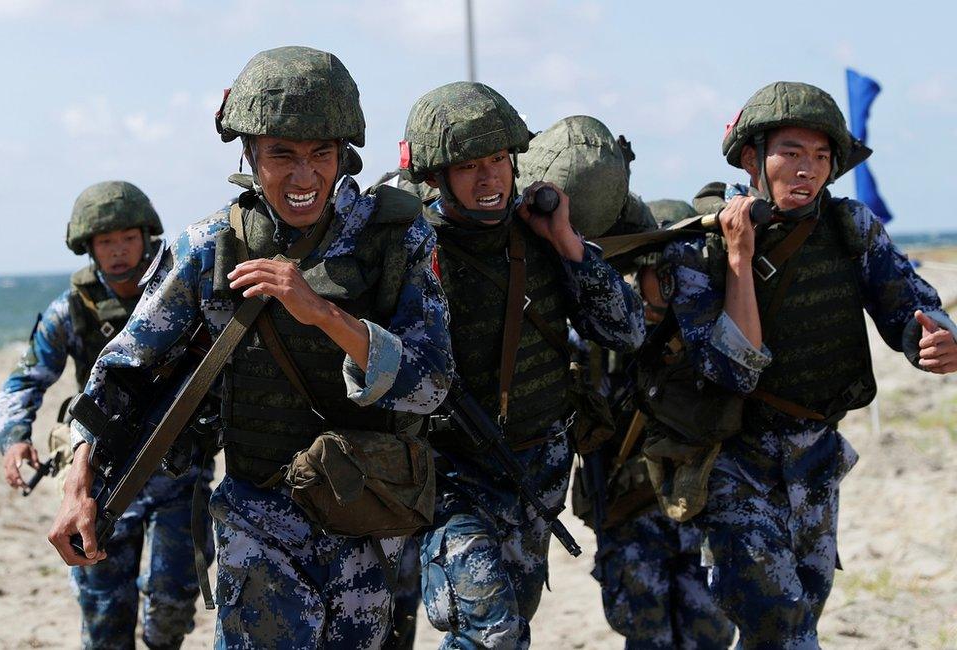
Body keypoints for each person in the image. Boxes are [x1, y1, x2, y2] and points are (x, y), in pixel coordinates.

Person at [48, 46, 453, 649]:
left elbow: (431, 385)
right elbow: (123, 368)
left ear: (344, 155)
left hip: (367, 522)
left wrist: (322, 314)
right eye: (281, 156)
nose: (303, 176)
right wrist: (78, 481)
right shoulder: (212, 245)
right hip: (256, 520)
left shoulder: (396, 238)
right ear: (250, 155)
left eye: (321, 155)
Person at [660, 81, 957, 648]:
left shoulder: (851, 228)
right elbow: (734, 370)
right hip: (733, 464)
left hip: (816, 462)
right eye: (791, 153)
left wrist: (939, 341)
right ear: (752, 157)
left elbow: (911, 309)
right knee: (783, 624)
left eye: (821, 156)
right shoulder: (699, 250)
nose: (809, 170)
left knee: (795, 624)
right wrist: (741, 260)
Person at [400, 83, 645, 649]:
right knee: (493, 632)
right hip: (451, 477)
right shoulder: (413, 250)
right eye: (467, 167)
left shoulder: (541, 237)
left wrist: (566, 241)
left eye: (496, 161)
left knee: (508, 625)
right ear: (435, 176)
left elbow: (625, 330)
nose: (489, 179)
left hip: (538, 472)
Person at [0, 180, 214, 649]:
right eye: (105, 242)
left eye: (127, 239)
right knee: (105, 613)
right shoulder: (72, 310)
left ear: (147, 239)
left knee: (171, 610)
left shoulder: (181, 295)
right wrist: (14, 435)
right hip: (101, 481)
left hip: (177, 477)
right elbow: (26, 378)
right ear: (88, 248)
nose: (117, 252)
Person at [572, 196, 736, 650]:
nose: (672, 286)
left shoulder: (708, 336)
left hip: (699, 508)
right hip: (632, 513)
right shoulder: (603, 340)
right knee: (647, 635)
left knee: (711, 633)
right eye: (661, 273)